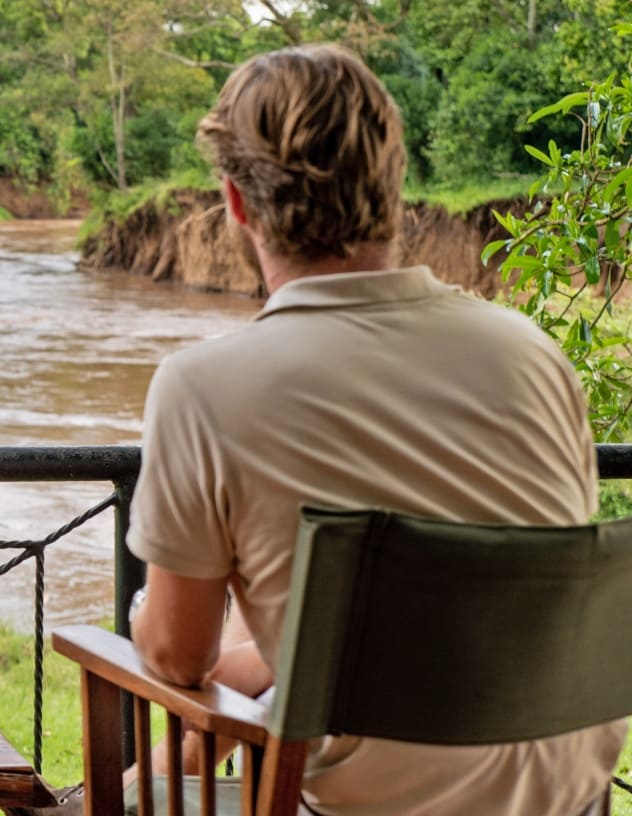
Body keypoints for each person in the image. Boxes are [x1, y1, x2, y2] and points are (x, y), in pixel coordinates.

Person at [126, 44, 623, 815]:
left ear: (236, 203)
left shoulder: (204, 388)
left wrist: (161, 633)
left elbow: (174, 658)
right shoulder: (533, 354)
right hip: (569, 802)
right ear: (395, 185)